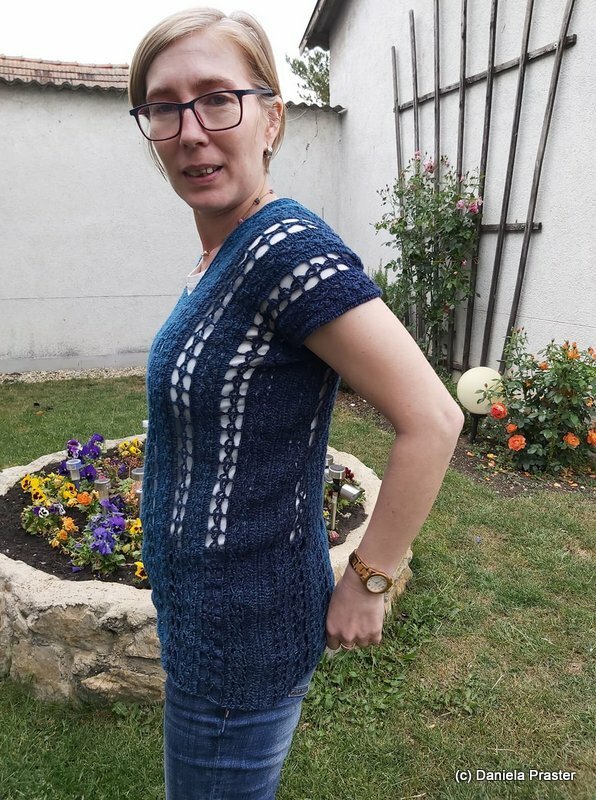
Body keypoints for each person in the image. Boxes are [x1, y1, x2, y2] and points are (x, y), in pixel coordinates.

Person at [128, 8, 464, 799]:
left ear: (272, 119)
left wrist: (371, 579)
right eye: (164, 107)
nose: (190, 131)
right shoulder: (225, 250)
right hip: (210, 624)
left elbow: (434, 419)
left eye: (218, 99)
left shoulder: (286, 250)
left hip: (240, 643)